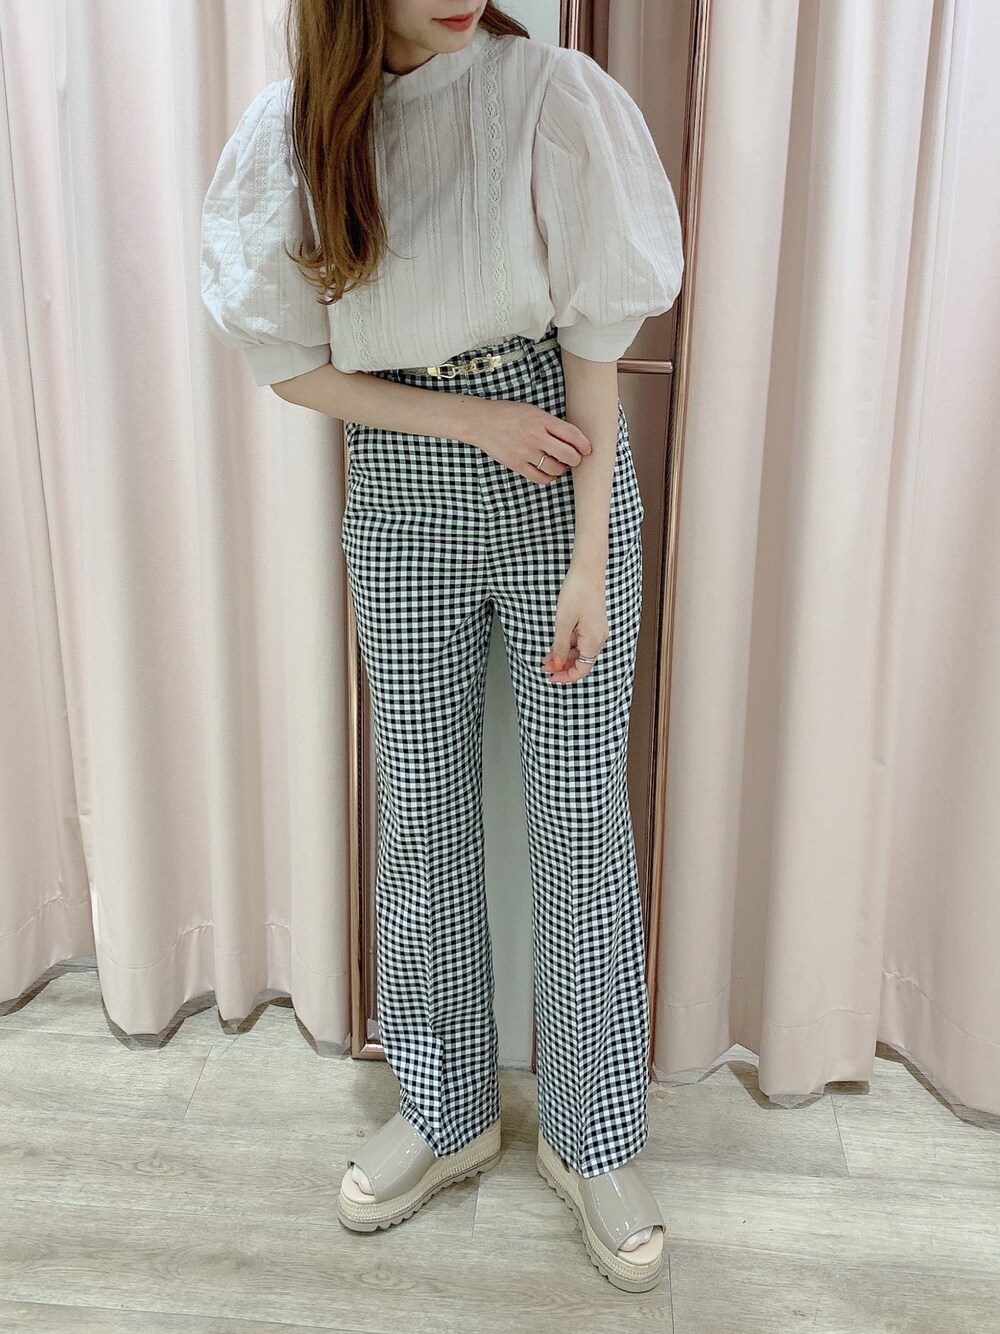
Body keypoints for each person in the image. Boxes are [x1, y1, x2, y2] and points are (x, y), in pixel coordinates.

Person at [200, 0, 683, 1294]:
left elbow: (595, 344)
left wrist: (589, 558)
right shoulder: (301, 132)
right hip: (406, 481)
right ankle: (446, 1101)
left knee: (581, 814)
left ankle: (595, 1133)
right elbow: (289, 366)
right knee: (419, 806)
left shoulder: (546, 96)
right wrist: (464, 423)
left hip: (559, 473)